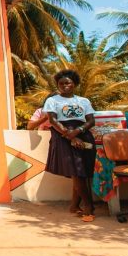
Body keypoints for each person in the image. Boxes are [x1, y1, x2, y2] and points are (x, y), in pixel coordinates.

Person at [43, 70, 97, 222]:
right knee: (77, 171)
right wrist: (69, 135)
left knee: (82, 171)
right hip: (62, 135)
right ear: (57, 85)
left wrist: (78, 132)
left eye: (68, 82)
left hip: (83, 133)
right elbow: (53, 121)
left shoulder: (84, 101)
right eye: (61, 83)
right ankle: (89, 207)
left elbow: (91, 121)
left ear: (74, 84)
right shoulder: (53, 100)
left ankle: (74, 206)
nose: (65, 86)